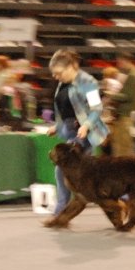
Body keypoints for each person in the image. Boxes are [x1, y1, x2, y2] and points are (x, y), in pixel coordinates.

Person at [43, 49, 109, 226]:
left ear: (71, 67)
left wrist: (86, 125)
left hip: (85, 133)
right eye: (54, 74)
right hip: (70, 131)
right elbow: (62, 109)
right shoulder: (62, 83)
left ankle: (60, 213)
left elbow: (97, 109)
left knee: (61, 169)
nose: (56, 77)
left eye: (59, 73)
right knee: (94, 177)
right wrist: (56, 127)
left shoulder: (88, 82)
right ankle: (125, 198)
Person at [106, 52, 135, 156]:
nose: (118, 64)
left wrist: (111, 95)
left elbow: (129, 96)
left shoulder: (133, 75)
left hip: (126, 114)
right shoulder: (130, 73)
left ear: (125, 60)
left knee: (124, 145)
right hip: (123, 113)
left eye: (119, 61)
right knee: (120, 144)